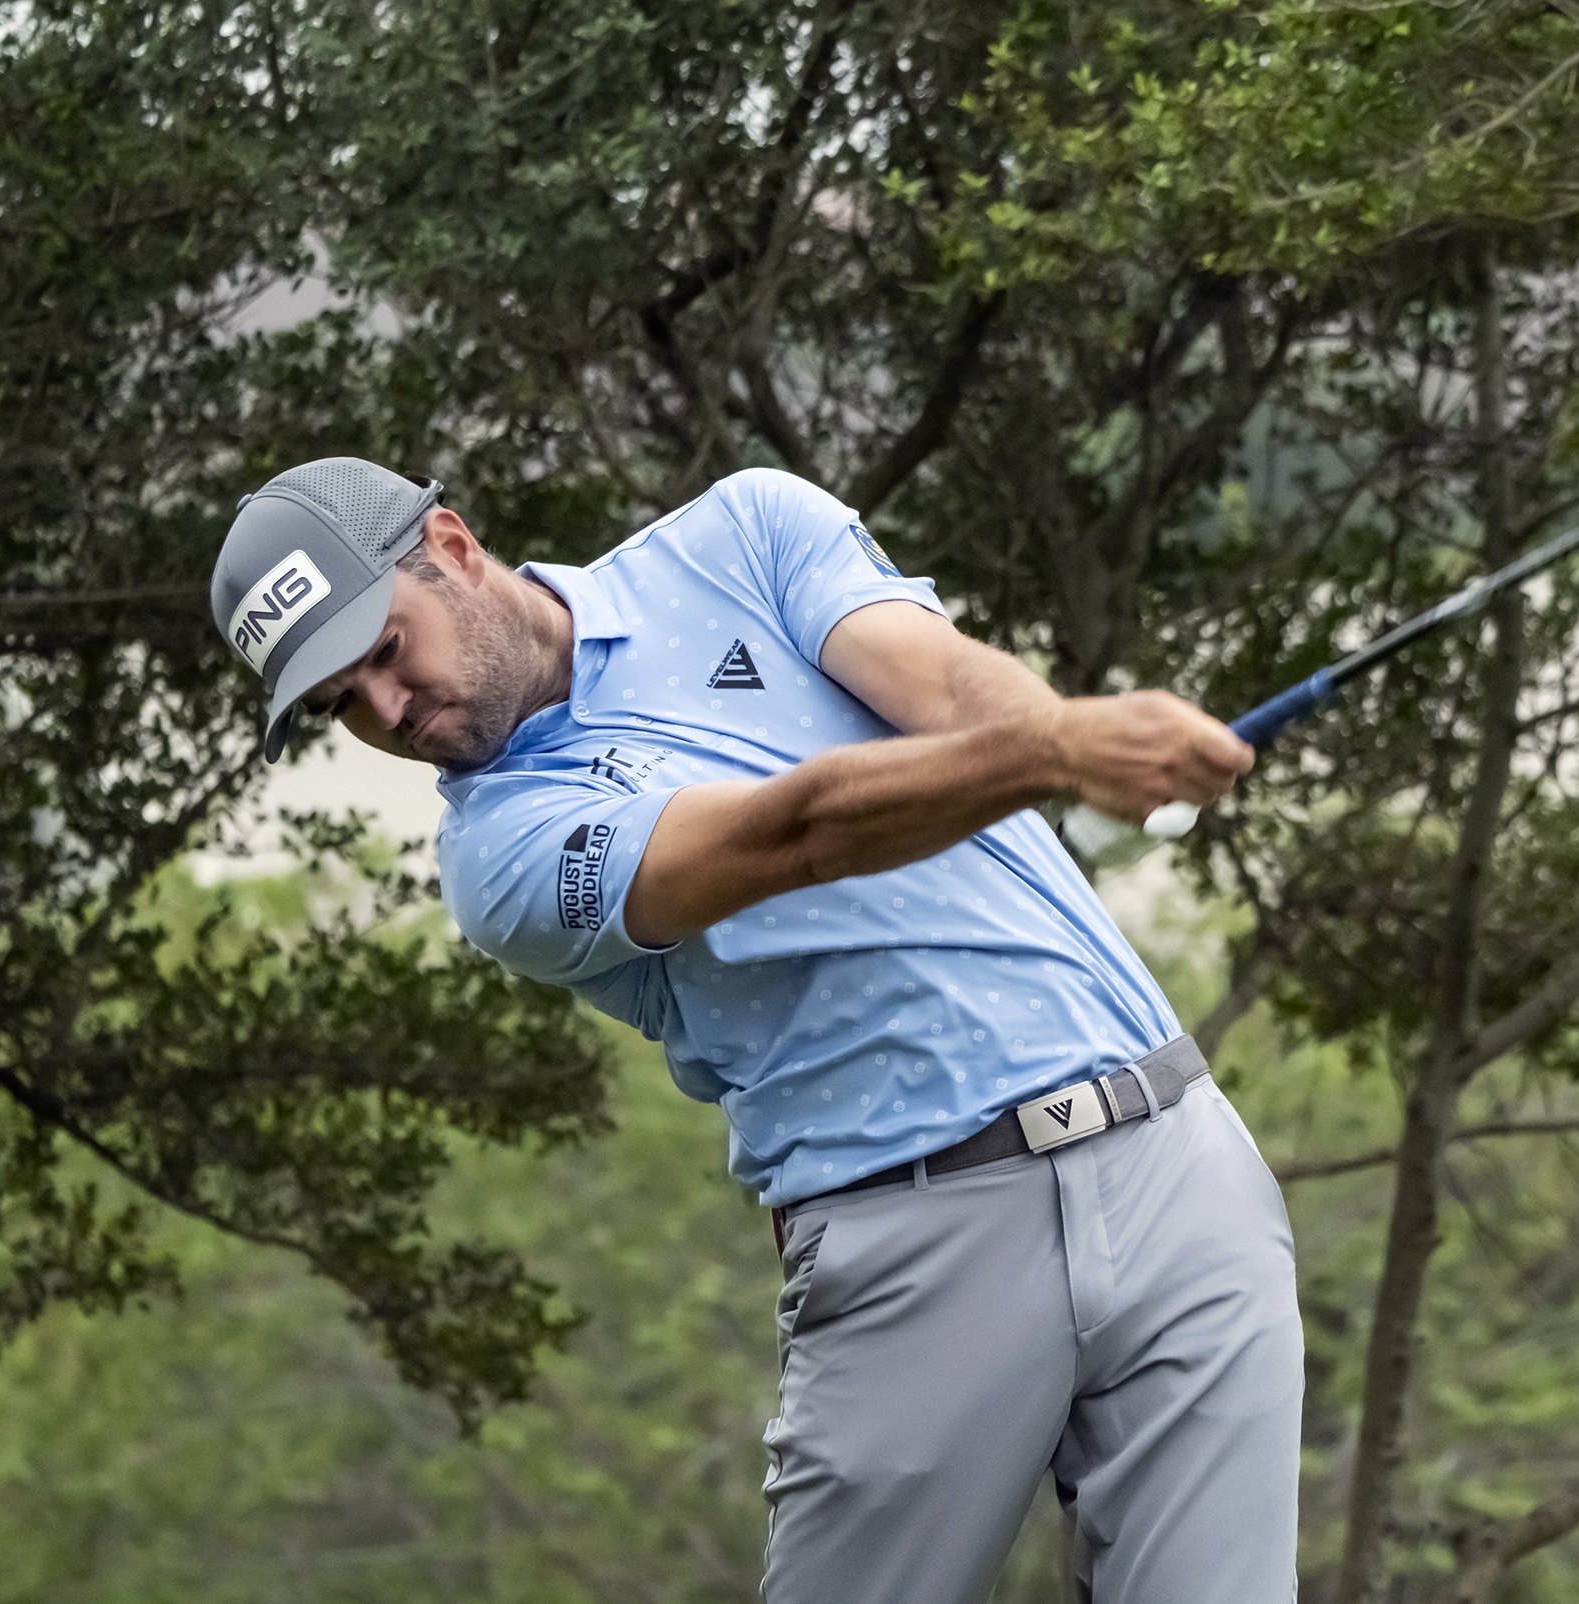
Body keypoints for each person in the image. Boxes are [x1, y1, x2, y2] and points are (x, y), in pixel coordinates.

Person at [209, 458, 1304, 1603]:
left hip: (1177, 1158)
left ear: (454, 545)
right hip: (912, 1237)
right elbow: (792, 837)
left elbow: (950, 686)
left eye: (386, 649)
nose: (389, 709)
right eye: (345, 706)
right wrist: (1058, 752)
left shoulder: (746, 531)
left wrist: (1072, 737)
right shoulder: (502, 856)